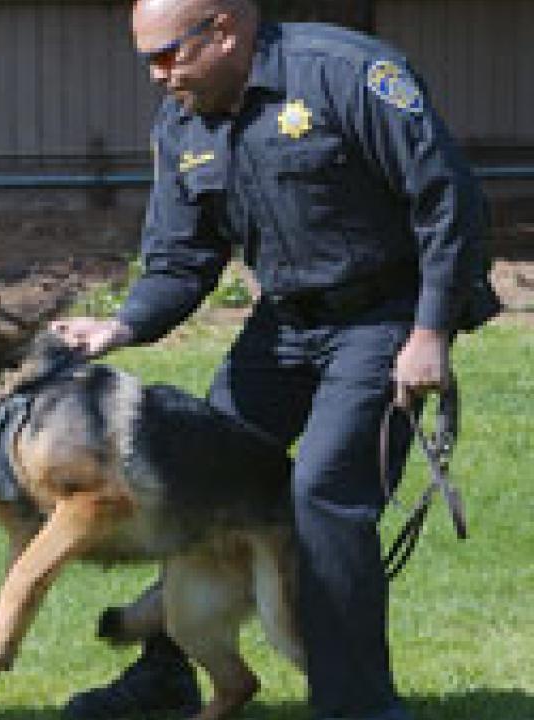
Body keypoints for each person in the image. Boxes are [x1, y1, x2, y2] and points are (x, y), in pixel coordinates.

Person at [52, 1, 500, 719]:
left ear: (225, 29)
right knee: (193, 472)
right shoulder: (183, 123)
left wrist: (431, 331)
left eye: (168, 55)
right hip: (285, 325)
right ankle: (169, 672)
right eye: (148, 61)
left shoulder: (347, 75)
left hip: (384, 316)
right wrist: (122, 326)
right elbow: (181, 259)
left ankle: (360, 706)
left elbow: (450, 201)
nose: (159, 76)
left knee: (324, 494)